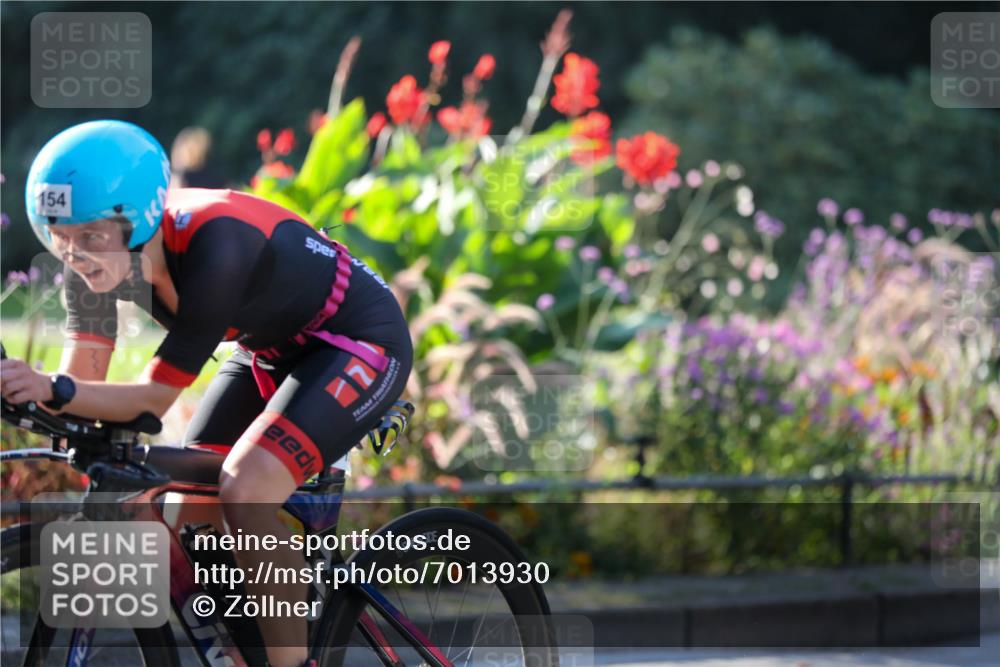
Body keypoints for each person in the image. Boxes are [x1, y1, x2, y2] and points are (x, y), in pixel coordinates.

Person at [0, 120, 413, 667]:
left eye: (90, 236)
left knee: (246, 487)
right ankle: (250, 647)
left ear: (138, 219)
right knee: (186, 503)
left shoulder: (216, 247)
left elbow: (149, 402)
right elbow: (83, 387)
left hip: (358, 341)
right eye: (59, 236)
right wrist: (28, 394)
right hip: (265, 347)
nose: (73, 255)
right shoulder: (96, 262)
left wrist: (53, 387)